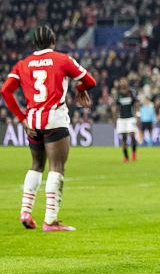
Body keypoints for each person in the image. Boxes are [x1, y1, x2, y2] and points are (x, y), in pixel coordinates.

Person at [1, 25, 96, 231]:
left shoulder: (23, 64)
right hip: (54, 119)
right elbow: (90, 81)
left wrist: (22, 118)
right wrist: (80, 89)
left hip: (33, 121)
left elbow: (5, 91)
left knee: (36, 165)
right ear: (53, 40)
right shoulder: (62, 59)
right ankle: (50, 221)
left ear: (35, 43)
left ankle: (25, 211)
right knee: (57, 167)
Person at [113, 78, 138, 162]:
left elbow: (136, 104)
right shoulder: (118, 94)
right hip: (121, 119)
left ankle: (134, 153)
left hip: (130, 117)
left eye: (124, 81)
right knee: (124, 138)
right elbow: (116, 107)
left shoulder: (131, 93)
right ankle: (126, 157)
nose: (122, 83)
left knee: (132, 135)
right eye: (121, 82)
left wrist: (137, 116)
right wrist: (115, 119)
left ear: (127, 83)